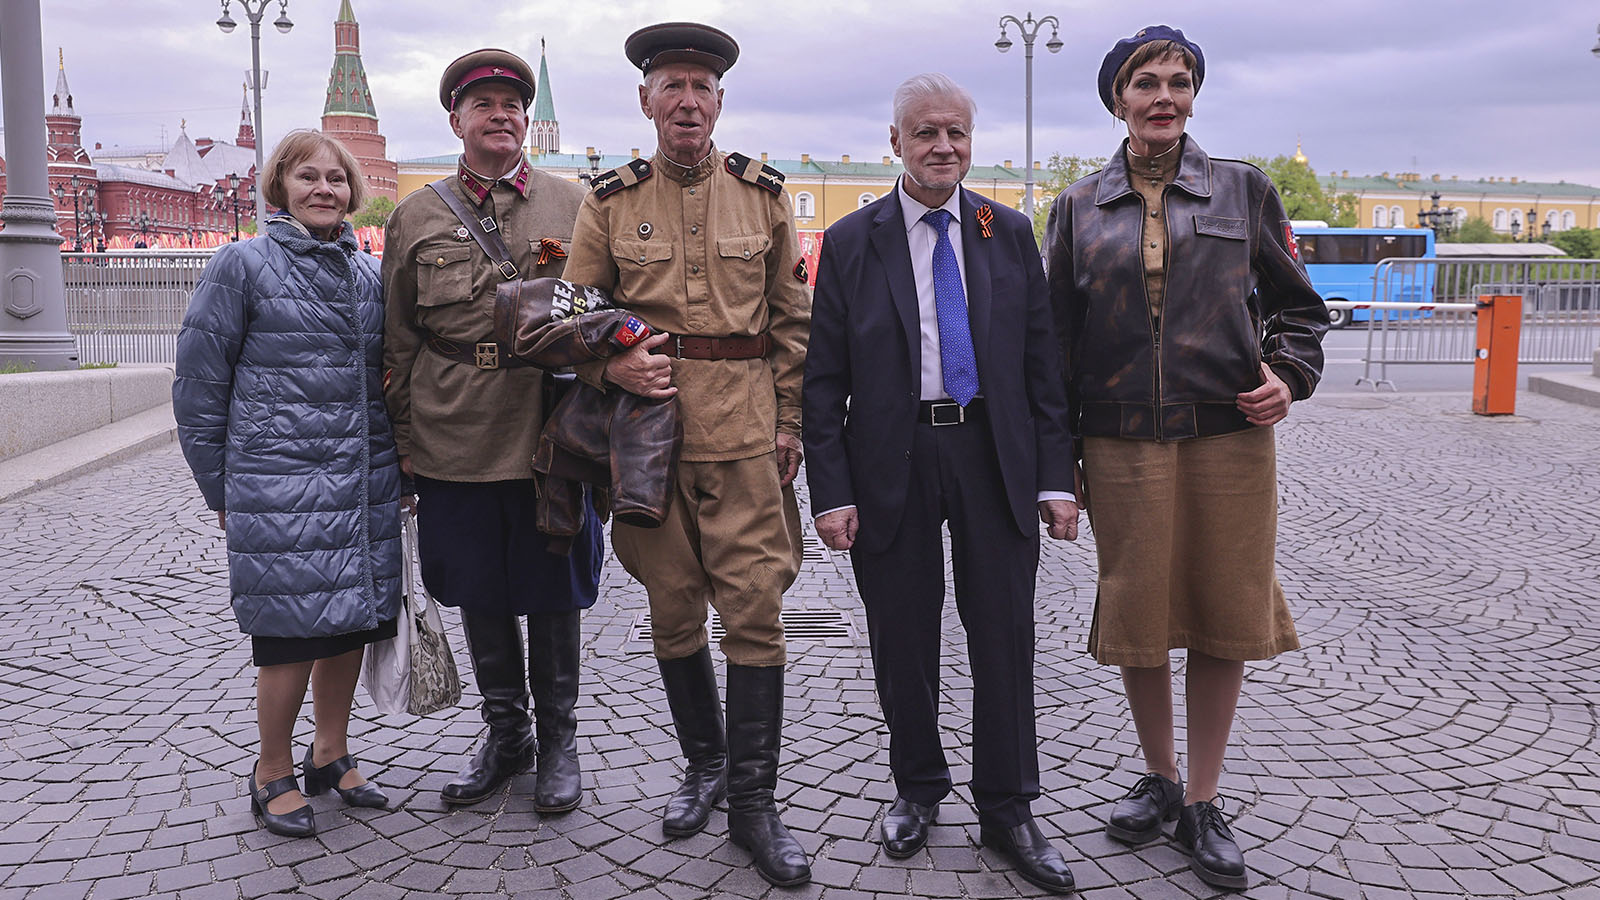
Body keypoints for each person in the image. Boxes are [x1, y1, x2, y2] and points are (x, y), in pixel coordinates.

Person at [1043, 26, 1329, 891]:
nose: (1164, 96)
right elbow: (1054, 347)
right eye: (1146, 83)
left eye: (1179, 81)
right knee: (1140, 610)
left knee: (1221, 604)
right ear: (1118, 100)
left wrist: (1287, 375)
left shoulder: (1244, 189)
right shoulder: (1077, 207)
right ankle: (1159, 777)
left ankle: (1203, 798)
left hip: (1227, 437)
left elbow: (1300, 309)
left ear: (1193, 95)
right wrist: (1060, 462)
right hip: (1120, 438)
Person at [803, 73, 1080, 894]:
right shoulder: (853, 241)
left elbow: (1043, 368)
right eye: (926, 132)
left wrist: (1056, 478)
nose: (944, 147)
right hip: (892, 458)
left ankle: (1009, 806)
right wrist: (832, 491)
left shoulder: (1008, 231)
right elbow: (823, 381)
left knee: (1004, 633)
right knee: (901, 635)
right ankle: (918, 787)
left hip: (993, 453)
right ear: (896, 141)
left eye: (956, 132)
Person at [560, 22, 813, 888]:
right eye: (672, 86)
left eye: (702, 87)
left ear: (719, 101)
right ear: (646, 101)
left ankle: (753, 803)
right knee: (672, 609)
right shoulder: (609, 200)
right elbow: (573, 319)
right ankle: (705, 765)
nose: (688, 102)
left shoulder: (763, 194)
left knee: (755, 612)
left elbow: (792, 322)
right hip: (647, 441)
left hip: (744, 438)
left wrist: (790, 423)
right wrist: (607, 366)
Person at [381, 49, 600, 813]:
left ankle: (560, 741)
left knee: (554, 587)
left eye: (513, 105)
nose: (501, 115)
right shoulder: (415, 216)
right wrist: (404, 442)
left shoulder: (574, 204)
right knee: (478, 586)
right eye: (484, 105)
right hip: (455, 430)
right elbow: (398, 340)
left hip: (551, 428)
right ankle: (507, 736)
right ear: (458, 122)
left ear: (526, 121)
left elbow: (602, 313)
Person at [173, 129, 400, 837]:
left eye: (336, 178)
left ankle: (330, 753)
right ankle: (270, 768)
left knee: (351, 626)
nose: (324, 189)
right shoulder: (241, 265)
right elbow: (199, 387)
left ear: (353, 192)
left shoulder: (367, 274)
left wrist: (401, 475)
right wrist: (220, 489)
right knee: (288, 636)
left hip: (362, 483)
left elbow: (387, 385)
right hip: (279, 486)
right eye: (308, 177)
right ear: (280, 185)